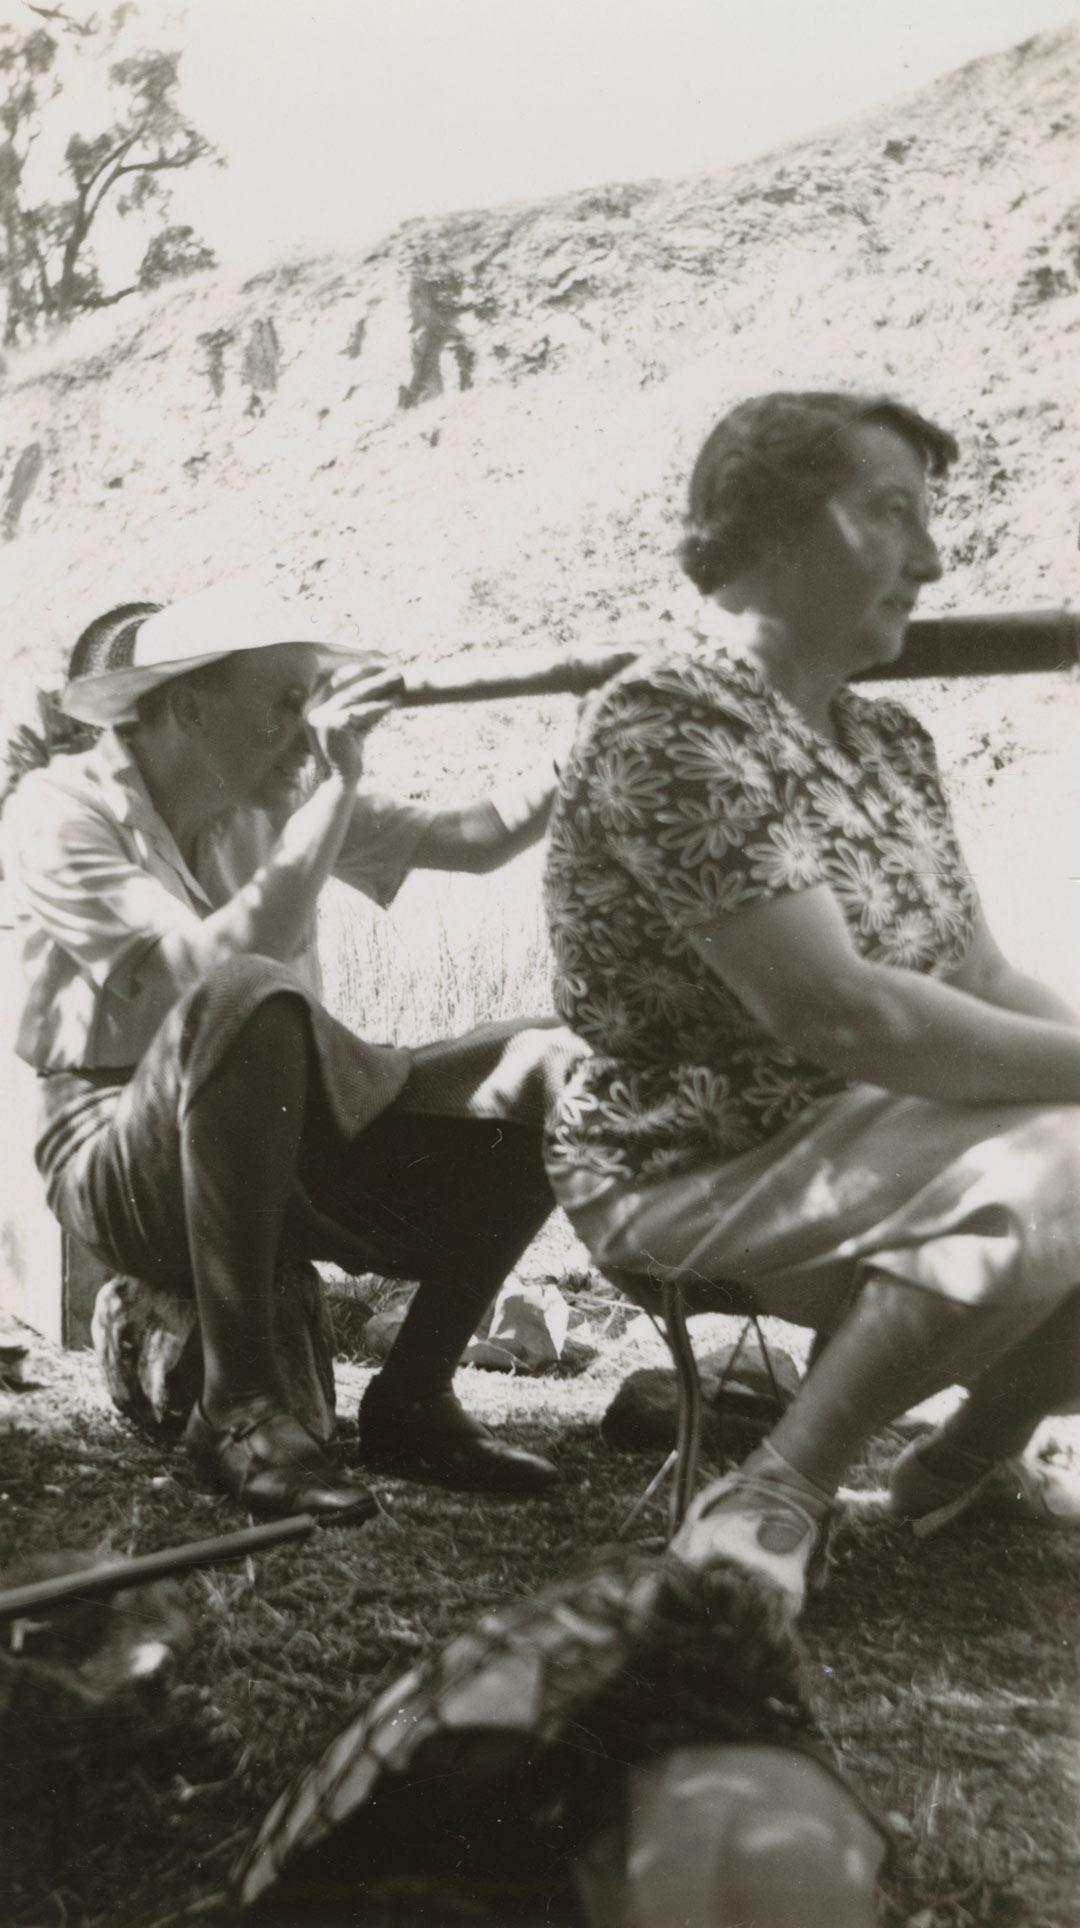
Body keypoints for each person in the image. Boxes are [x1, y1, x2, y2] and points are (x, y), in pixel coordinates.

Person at [542, 389, 1080, 1613]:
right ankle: (778, 1484)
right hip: (693, 1153)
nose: (932, 559)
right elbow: (841, 1014)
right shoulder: (667, 723)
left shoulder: (889, 742)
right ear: (767, 528)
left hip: (870, 1137)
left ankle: (964, 1464)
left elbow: (976, 973)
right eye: (892, 513)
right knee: (1066, 1151)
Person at [3, 583, 581, 1522]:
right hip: (121, 1157)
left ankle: (415, 1397)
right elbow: (199, 975)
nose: (309, 728)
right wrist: (339, 786)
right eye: (286, 702)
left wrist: (586, 737)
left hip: (280, 1116)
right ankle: (236, 1408)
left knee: (545, 1060)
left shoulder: (278, 792)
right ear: (189, 707)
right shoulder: (58, 812)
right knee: (246, 993)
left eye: (315, 701)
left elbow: (476, 840)